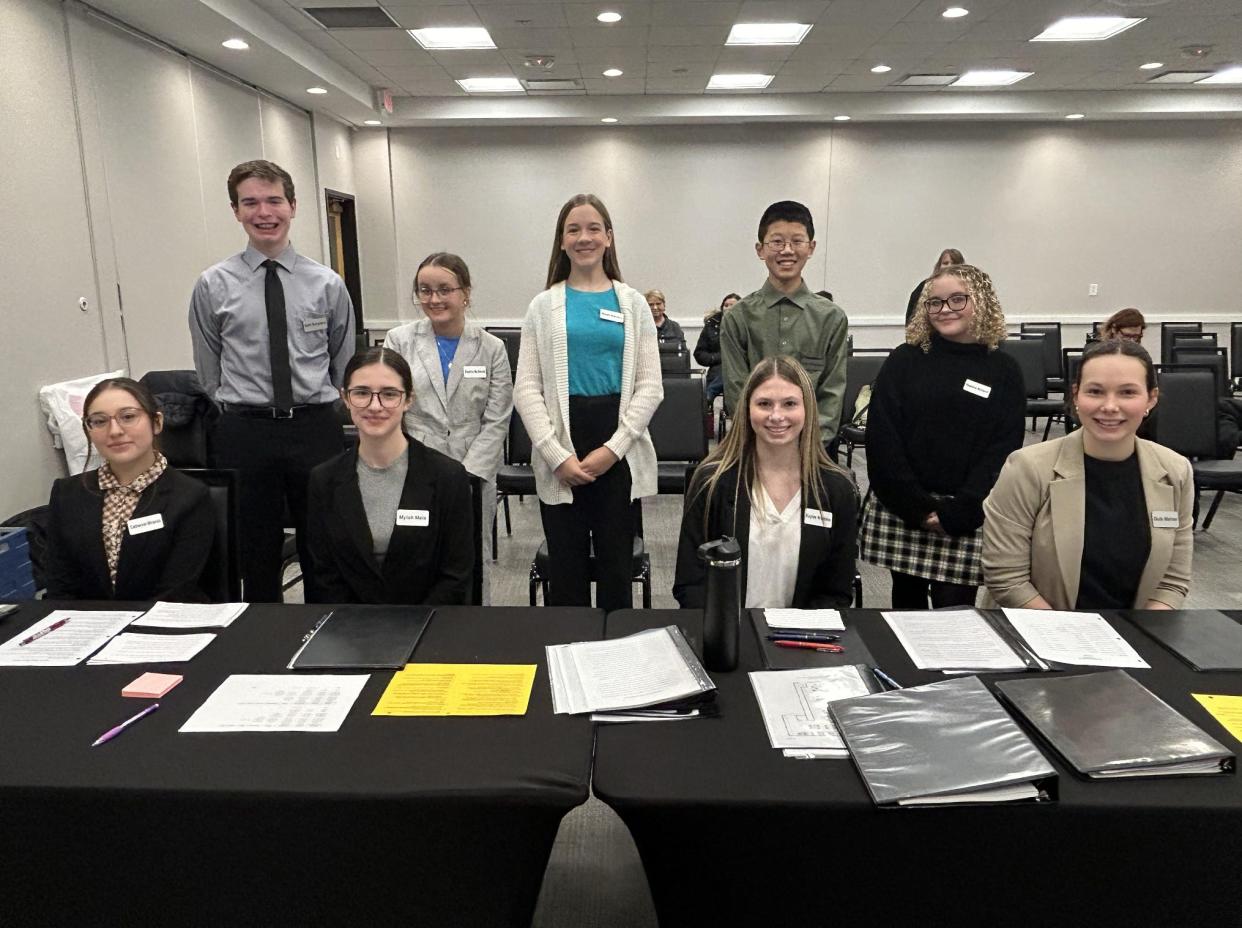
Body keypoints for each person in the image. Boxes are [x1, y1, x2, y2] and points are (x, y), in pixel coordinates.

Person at [189, 159, 355, 603]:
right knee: (254, 550)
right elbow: (209, 369)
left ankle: (328, 632)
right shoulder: (213, 285)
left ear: (293, 206)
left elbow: (343, 362)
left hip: (314, 425)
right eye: (251, 202)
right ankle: (265, 643)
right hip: (246, 430)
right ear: (236, 211)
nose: (264, 211)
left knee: (324, 542)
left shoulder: (327, 283)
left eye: (274, 200)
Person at [512, 193, 663, 611]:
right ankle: (569, 655)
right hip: (560, 443)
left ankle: (617, 661)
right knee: (567, 567)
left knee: (618, 567)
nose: (584, 237)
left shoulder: (632, 304)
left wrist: (612, 451)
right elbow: (526, 387)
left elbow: (651, 386)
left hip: (619, 447)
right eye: (573, 230)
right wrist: (556, 454)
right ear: (561, 242)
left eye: (594, 228)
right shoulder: (542, 306)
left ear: (609, 237)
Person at [860, 263, 1025, 609]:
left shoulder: (1004, 370)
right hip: (903, 511)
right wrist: (919, 509)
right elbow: (883, 438)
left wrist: (961, 510)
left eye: (956, 299)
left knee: (957, 615)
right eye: (934, 302)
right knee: (906, 608)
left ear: (981, 302)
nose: (945, 309)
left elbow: (1003, 449)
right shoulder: (905, 360)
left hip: (965, 514)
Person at [983, 339, 1192, 611]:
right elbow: (1007, 579)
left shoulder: (1175, 471)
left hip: (1134, 635)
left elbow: (1172, 582)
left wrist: (1142, 636)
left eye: (1127, 392)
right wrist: (1076, 641)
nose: (1109, 406)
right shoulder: (1027, 468)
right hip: (1039, 630)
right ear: (1075, 395)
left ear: (1151, 398)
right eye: (1095, 391)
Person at [673, 357, 858, 609]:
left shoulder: (837, 490)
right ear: (747, 409)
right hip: (730, 636)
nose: (776, 415)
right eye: (764, 404)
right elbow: (691, 583)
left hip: (803, 639)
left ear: (808, 409)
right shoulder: (712, 482)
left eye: (790, 404)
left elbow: (836, 591)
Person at [382, 252, 512, 603]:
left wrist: (466, 474)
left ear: (465, 294)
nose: (434, 299)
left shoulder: (491, 348)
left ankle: (474, 628)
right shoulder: (399, 341)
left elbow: (497, 418)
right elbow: (391, 409)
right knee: (415, 553)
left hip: (474, 471)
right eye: (424, 290)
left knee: (471, 557)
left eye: (444, 289)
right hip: (414, 466)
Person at [306, 347, 474, 605]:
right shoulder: (324, 480)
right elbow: (324, 577)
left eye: (389, 394)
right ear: (345, 398)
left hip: (429, 627)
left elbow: (455, 577)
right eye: (362, 393)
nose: (375, 406)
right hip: (349, 630)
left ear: (408, 400)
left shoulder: (447, 477)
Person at [44, 378, 215, 601]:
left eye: (128, 417)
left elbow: (177, 592)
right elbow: (60, 585)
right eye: (99, 421)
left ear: (157, 422)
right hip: (88, 626)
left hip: (161, 626)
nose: (114, 431)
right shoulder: (66, 494)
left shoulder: (190, 496)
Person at [721, 200, 849, 447]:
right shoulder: (738, 317)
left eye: (797, 241)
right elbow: (737, 392)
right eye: (777, 242)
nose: (787, 250)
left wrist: (809, 449)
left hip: (815, 450)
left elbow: (832, 395)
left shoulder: (831, 318)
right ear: (760, 249)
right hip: (753, 447)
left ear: (811, 247)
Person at [695, 292, 740, 404]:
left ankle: (709, 394)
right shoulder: (711, 325)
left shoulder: (748, 325)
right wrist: (717, 358)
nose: (729, 308)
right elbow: (699, 354)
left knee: (731, 370)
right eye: (726, 305)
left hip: (741, 369)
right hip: (717, 368)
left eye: (733, 305)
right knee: (726, 369)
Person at [905, 248, 964, 323]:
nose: (950, 266)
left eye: (954, 263)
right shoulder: (925, 286)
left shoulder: (968, 286)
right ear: (939, 265)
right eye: (945, 263)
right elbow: (912, 316)